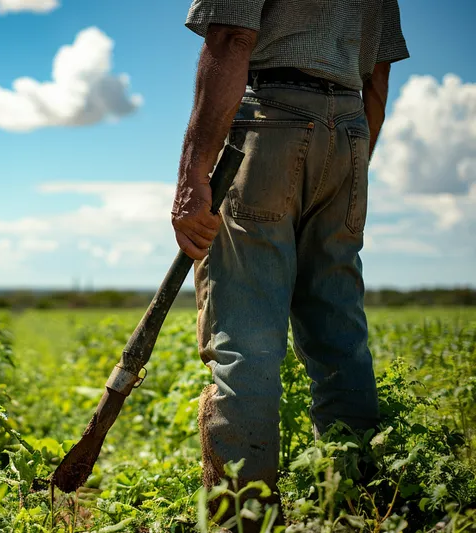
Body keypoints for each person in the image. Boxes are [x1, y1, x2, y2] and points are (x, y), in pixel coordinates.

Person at [170, 0, 409, 528]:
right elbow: (378, 77)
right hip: (350, 131)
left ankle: (242, 518)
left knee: (246, 337)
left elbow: (233, 37)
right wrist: (345, 169)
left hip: (270, 119)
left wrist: (194, 173)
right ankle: (355, 508)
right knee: (339, 334)